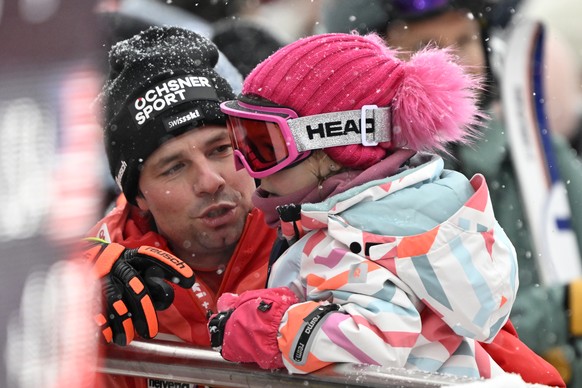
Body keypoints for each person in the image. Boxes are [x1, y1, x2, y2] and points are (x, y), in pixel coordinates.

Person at [207, 32, 564, 386]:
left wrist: (272, 327)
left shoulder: (351, 242)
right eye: (238, 138)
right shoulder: (399, 223)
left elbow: (377, 338)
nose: (244, 165)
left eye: (263, 145)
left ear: (334, 144)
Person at [321, 1, 582, 385]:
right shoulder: (353, 187)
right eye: (429, 46)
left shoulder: (540, 158)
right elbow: (428, 328)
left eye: (465, 40)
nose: (455, 63)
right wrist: (553, 309)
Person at [86, 25, 277, 387]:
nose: (210, 181)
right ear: (137, 196)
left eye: (220, 149)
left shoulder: (318, 234)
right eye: (174, 167)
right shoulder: (101, 282)